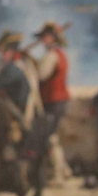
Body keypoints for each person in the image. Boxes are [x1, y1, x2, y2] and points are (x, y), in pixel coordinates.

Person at [0, 30, 42, 196]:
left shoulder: (12, 70)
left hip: (19, 123)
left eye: (4, 52)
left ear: (10, 51)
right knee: (32, 161)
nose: (2, 56)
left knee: (13, 160)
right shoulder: (25, 65)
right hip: (32, 119)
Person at [24, 22, 72, 186]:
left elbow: (41, 75)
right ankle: (64, 170)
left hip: (53, 102)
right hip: (59, 101)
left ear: (52, 38)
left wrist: (27, 63)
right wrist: (30, 58)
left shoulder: (51, 56)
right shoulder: (59, 54)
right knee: (53, 137)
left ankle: (59, 176)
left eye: (45, 37)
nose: (42, 41)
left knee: (50, 139)